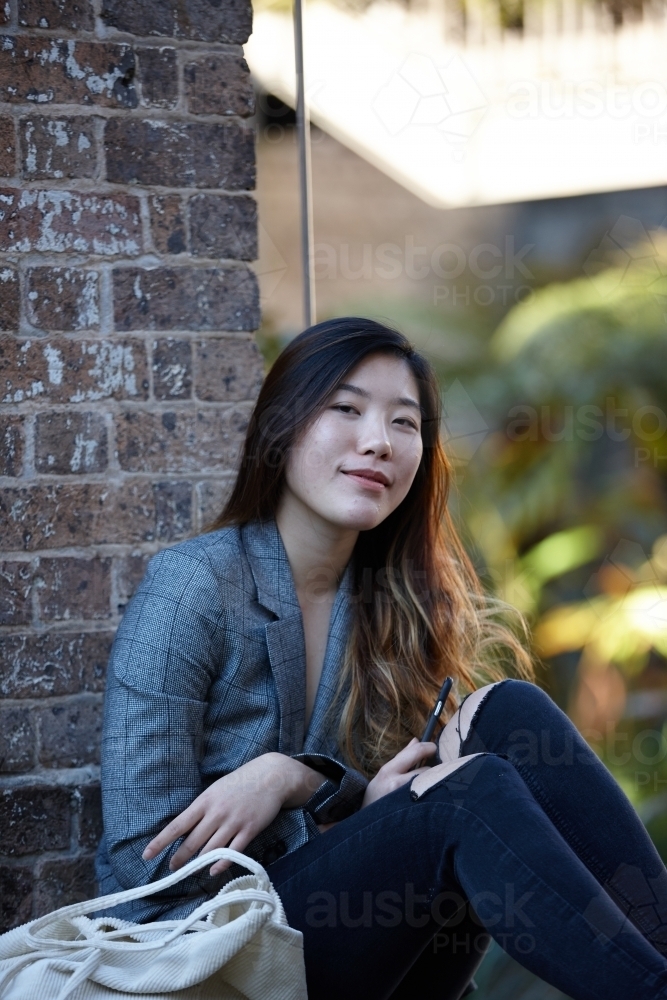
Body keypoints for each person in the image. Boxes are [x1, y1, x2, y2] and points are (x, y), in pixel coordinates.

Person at [96, 318, 667, 1000]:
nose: (377, 441)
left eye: (404, 422)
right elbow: (141, 866)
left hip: (345, 944)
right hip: (202, 952)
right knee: (468, 795)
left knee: (506, 711)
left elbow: (352, 825)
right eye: (346, 408)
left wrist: (348, 802)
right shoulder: (193, 586)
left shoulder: (388, 603)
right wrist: (298, 784)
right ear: (282, 427)